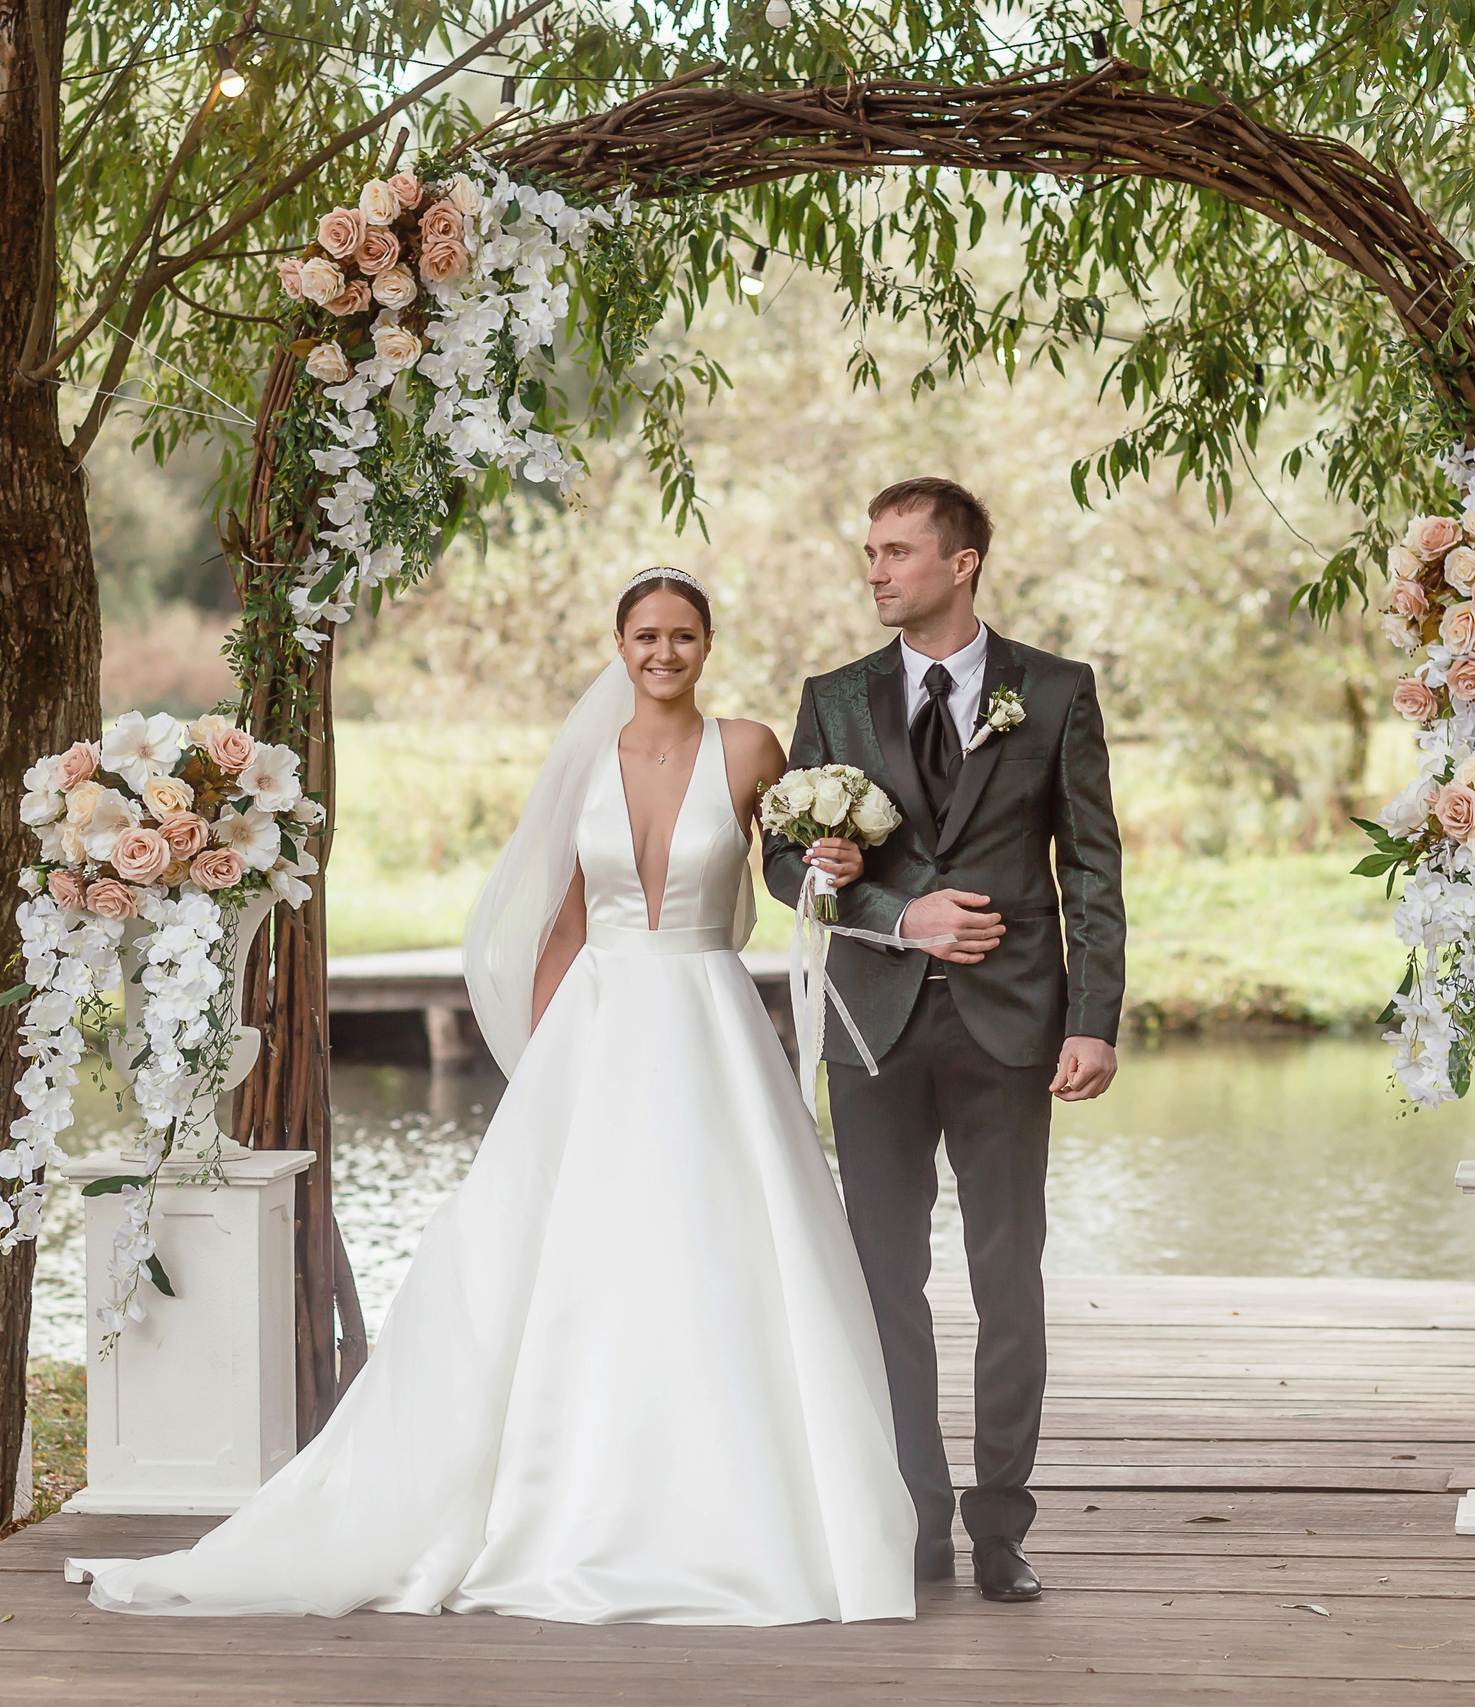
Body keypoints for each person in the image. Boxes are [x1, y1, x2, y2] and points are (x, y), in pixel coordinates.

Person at [80, 568, 918, 1625]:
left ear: (708, 645)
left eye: (684, 636)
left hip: (709, 1015)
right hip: (601, 1022)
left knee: (723, 1247)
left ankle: (733, 1509)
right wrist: (546, 1067)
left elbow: (791, 875)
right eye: (647, 636)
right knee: (569, 1256)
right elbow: (564, 924)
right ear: (619, 646)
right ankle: (553, 1500)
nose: (665, 653)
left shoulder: (751, 749)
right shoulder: (586, 766)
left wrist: (832, 858)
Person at [764, 477, 1126, 1603]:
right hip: (873, 1028)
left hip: (1013, 1023)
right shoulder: (833, 697)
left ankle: (1001, 1528)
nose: (876, 571)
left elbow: (1093, 869)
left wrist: (1093, 1019)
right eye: (870, 552)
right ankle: (914, 1520)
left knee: (1007, 1278)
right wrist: (892, 914)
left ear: (961, 564)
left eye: (898, 552)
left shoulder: (1055, 692)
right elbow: (786, 861)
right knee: (885, 1280)